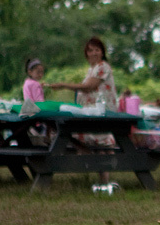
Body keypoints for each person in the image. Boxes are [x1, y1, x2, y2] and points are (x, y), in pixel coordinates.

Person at [48, 36, 119, 183]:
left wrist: (63, 85)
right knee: (97, 145)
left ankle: (99, 173)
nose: (93, 53)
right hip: (91, 112)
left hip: (102, 113)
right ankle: (102, 178)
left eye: (97, 50)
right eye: (90, 50)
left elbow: (89, 87)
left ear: (102, 52)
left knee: (90, 140)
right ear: (86, 53)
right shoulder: (91, 69)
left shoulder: (103, 67)